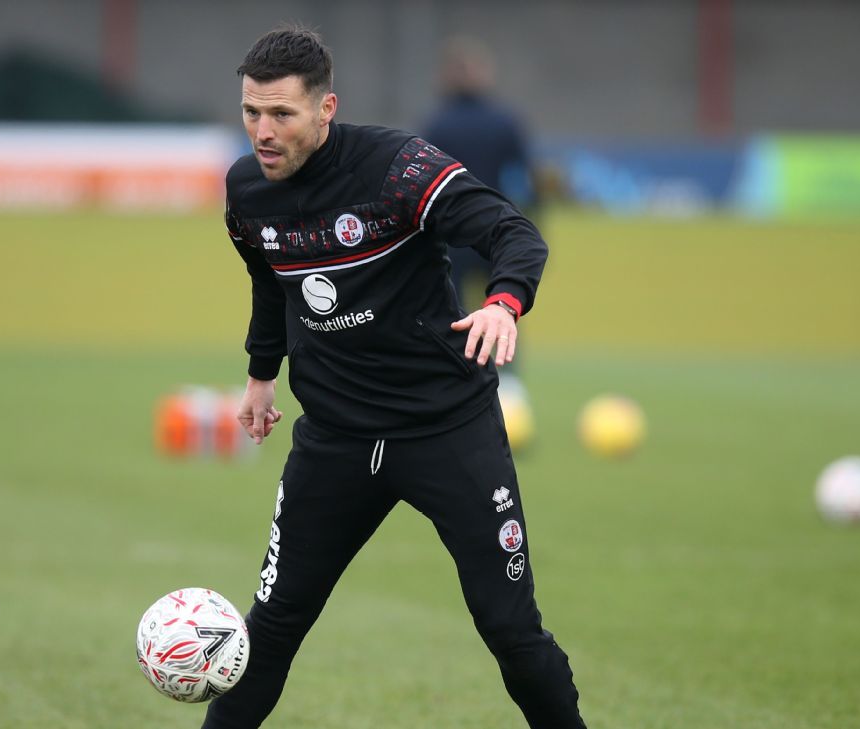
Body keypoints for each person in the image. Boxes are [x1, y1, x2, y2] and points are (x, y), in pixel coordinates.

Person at [208, 26, 587, 729]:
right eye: (251, 112)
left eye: (282, 114)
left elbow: (514, 232)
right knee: (272, 627)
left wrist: (503, 302)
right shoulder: (246, 192)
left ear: (325, 110)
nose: (263, 131)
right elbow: (270, 275)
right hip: (336, 441)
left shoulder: (397, 168)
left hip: (446, 427)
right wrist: (262, 373)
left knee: (509, 629)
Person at [422, 37, 538, 436]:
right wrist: (526, 232)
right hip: (494, 235)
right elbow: (526, 181)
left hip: (451, 240)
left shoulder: (438, 123)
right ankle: (512, 394)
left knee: (450, 318)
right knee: (503, 310)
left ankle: (451, 392)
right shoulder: (505, 121)